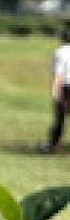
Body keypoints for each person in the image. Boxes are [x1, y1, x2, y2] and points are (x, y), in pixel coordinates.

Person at [39, 22, 70, 152]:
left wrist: (55, 92)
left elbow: (59, 74)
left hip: (67, 88)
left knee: (60, 117)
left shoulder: (60, 53)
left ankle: (53, 144)